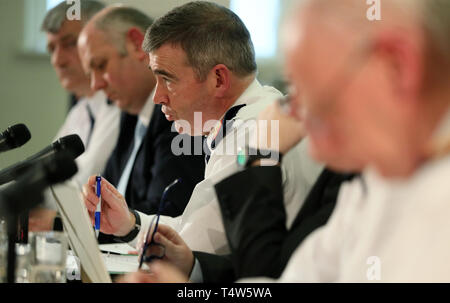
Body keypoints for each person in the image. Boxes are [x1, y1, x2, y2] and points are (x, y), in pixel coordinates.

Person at [122, 0, 450, 283]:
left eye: (320, 102)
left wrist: (258, 154)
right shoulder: (374, 182)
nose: (314, 147)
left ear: (399, 66)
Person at [83, 1, 323, 254]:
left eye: (167, 79)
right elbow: (194, 228)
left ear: (218, 79)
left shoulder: (249, 133)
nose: (157, 97)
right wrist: (130, 225)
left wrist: (132, 228)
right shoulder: (257, 110)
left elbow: (194, 249)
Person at [78, 6, 206, 243]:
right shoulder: (129, 114)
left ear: (137, 44)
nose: (95, 85)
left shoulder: (178, 116)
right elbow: (107, 200)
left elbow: (168, 209)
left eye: (101, 65)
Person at [29, 0, 121, 231]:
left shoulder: (122, 105)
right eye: (51, 49)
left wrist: (52, 219)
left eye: (69, 44)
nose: (58, 60)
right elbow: (47, 184)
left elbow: (85, 185)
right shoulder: (80, 111)